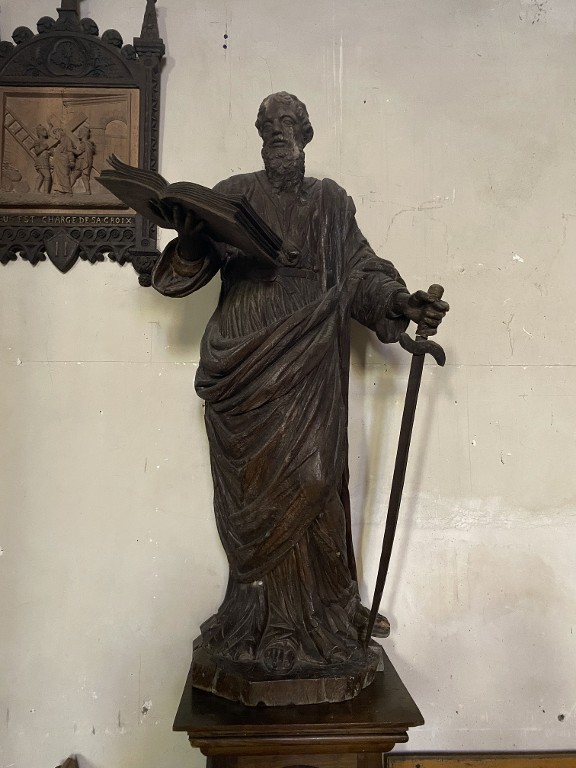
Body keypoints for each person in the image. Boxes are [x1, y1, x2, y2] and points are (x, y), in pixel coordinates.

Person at [152, 92, 448, 680]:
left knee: (315, 480)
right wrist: (187, 240)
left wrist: (398, 301)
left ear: (306, 134)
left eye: (287, 123)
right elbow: (183, 276)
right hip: (245, 363)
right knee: (255, 492)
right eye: (268, 125)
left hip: (310, 360)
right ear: (259, 135)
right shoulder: (234, 194)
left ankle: (326, 616)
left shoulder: (331, 202)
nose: (277, 133)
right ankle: (263, 622)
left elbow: (361, 272)